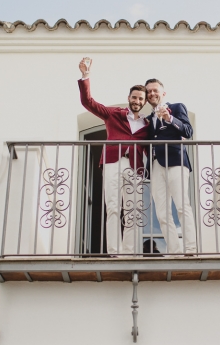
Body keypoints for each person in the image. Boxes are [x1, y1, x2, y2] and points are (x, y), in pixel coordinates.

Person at [78, 58, 149, 256]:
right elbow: (88, 102)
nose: (137, 101)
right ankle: (114, 252)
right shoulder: (114, 114)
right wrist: (86, 76)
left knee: (133, 210)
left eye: (141, 99)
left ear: (144, 102)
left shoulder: (148, 123)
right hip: (113, 162)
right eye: (134, 98)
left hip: (135, 167)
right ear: (129, 97)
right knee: (113, 207)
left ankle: (130, 252)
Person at [144, 78, 197, 255]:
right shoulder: (148, 119)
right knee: (161, 213)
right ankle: (174, 251)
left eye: (155, 90)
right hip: (156, 165)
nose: (152, 93)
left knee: (182, 207)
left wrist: (169, 118)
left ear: (163, 93)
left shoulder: (177, 107)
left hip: (176, 160)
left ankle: (190, 249)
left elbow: (188, 132)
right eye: (149, 91)